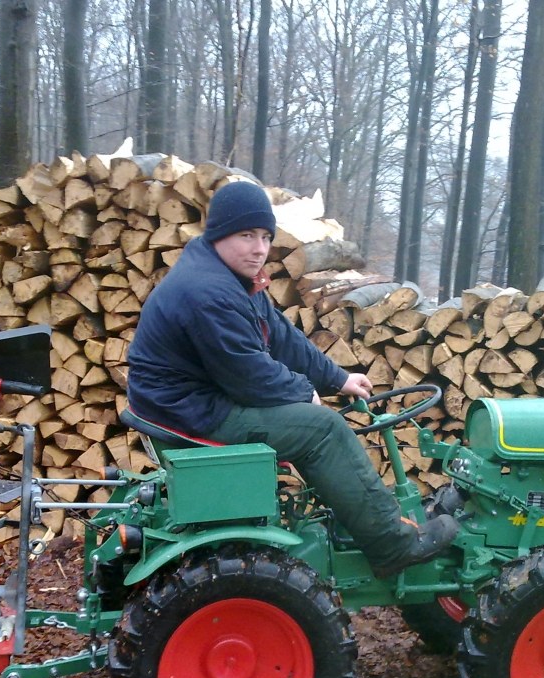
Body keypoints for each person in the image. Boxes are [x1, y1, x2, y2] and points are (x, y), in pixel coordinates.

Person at [125, 181, 457, 578]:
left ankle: (357, 523)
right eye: (247, 235)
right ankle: (390, 544)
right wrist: (306, 395)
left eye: (265, 236)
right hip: (187, 414)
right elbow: (248, 376)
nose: (260, 248)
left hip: (190, 402)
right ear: (218, 233)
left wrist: (337, 379)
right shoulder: (208, 291)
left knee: (315, 420)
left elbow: (281, 335)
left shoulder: (230, 276)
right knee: (322, 429)